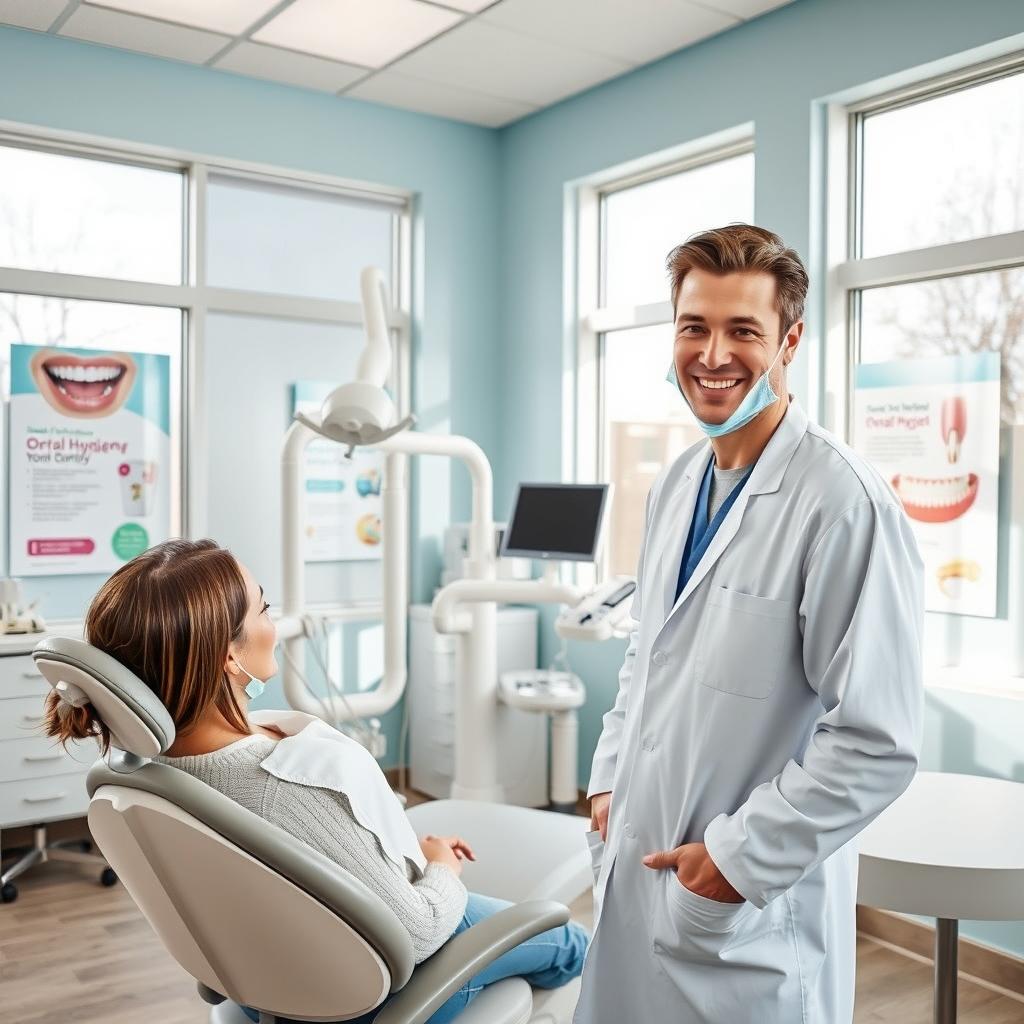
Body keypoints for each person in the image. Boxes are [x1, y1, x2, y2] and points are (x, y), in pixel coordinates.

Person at [575, 225, 923, 1023]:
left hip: (741, 917)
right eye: (695, 326)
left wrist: (734, 862)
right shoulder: (678, 484)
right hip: (641, 856)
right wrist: (607, 777)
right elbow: (649, 656)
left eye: (743, 331)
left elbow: (877, 740)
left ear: (790, 340)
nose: (713, 354)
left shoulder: (843, 504)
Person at [44, 539, 588, 1024]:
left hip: (265, 977)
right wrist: (443, 866)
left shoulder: (148, 777)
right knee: (569, 940)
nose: (273, 625)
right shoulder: (289, 785)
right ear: (229, 655)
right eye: (265, 608)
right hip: (377, 996)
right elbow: (418, 932)